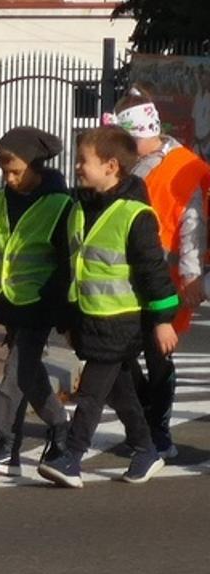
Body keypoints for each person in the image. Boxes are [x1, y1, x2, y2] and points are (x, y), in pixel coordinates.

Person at [39, 126, 176, 488]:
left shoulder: (135, 215)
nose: (78, 167)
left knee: (92, 391)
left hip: (120, 321)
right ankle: (146, 449)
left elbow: (153, 271)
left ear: (111, 166)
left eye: (84, 161)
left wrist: (163, 320)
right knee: (121, 391)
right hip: (89, 318)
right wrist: (66, 319)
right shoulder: (78, 209)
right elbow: (70, 267)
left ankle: (72, 455)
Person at [0, 127, 74, 475]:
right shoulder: (1, 200)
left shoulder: (60, 204)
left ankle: (5, 444)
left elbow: (67, 261)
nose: (8, 178)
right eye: (4, 171)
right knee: (30, 375)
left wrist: (61, 308)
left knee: (15, 373)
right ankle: (61, 429)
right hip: (8, 302)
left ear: (36, 166)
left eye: (15, 170)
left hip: (39, 304)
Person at [110, 88, 206, 460]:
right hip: (121, 276)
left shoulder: (186, 167)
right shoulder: (126, 162)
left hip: (164, 278)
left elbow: (192, 227)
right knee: (119, 353)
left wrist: (193, 277)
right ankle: (145, 423)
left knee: (158, 355)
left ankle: (158, 431)